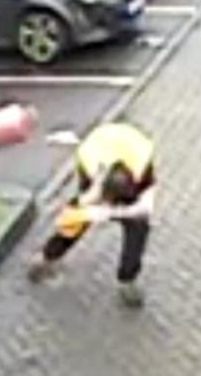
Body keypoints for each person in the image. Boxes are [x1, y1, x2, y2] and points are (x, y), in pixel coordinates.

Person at [29, 123, 157, 308]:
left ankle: (127, 280)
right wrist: (92, 210)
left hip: (127, 153)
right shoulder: (91, 162)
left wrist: (117, 211)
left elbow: (145, 207)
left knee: (138, 226)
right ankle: (47, 256)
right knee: (79, 219)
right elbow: (81, 207)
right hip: (97, 155)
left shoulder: (142, 165)